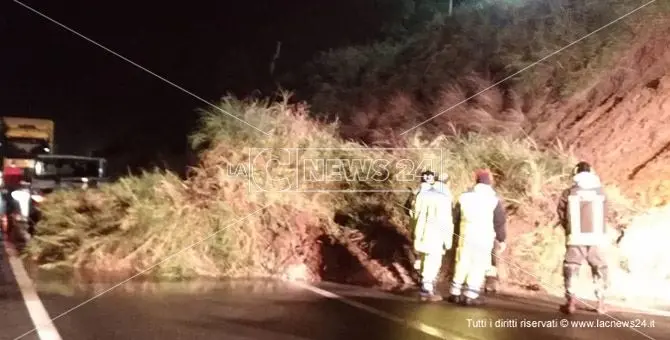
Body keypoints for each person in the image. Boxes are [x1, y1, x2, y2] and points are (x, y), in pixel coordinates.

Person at [556, 161, 609, 314]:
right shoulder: (601, 193)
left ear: (576, 173)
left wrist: (569, 230)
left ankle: (571, 302)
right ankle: (601, 304)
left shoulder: (568, 193)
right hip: (597, 238)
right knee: (600, 268)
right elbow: (605, 213)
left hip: (575, 237)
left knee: (571, 268)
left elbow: (561, 214)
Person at [448, 169, 507, 306]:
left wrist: (455, 234)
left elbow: (455, 217)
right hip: (483, 236)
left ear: (477, 181)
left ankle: (455, 292)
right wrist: (501, 239)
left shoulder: (464, 197)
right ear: (489, 182)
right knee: (478, 264)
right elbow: (499, 222)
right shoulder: (494, 200)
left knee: (462, 261)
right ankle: (470, 295)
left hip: (465, 234)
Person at [409, 171, 455, 302]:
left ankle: (425, 285)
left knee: (425, 259)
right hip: (436, 235)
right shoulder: (445, 198)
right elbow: (446, 221)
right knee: (433, 262)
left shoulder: (422, 195)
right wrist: (448, 241)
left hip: (422, 233)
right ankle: (427, 289)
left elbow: (414, 216)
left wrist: (414, 232)